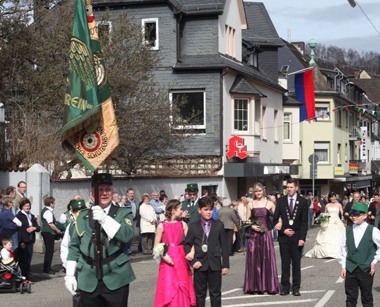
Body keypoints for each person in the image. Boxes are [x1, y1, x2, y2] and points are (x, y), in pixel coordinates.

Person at [64, 173, 136, 307]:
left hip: (116, 276)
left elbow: (126, 236)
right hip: (88, 278)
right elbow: (74, 247)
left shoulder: (123, 213)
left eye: (107, 190)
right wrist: (69, 275)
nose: (104, 193)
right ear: (92, 194)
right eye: (99, 190)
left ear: (112, 192)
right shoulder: (82, 216)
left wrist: (104, 219)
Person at [184, 196, 229, 307]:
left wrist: (225, 264)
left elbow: (224, 245)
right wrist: (193, 261)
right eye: (205, 209)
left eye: (210, 209)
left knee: (216, 293)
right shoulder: (193, 226)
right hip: (200, 264)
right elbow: (187, 245)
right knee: (200, 294)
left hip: (215, 264)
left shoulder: (219, 225)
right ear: (199, 210)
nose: (208, 212)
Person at [154, 200, 196, 306]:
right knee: (169, 283)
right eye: (180, 209)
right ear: (173, 211)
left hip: (181, 256)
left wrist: (192, 252)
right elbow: (156, 245)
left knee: (182, 282)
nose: (182, 211)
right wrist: (164, 256)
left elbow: (191, 242)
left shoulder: (183, 224)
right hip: (168, 257)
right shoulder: (161, 225)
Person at [338, 202, 380, 307]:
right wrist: (343, 266)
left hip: (366, 269)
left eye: (357, 215)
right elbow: (343, 248)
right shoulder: (348, 230)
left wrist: (374, 261)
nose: (353, 217)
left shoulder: (372, 230)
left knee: (367, 298)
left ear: (365, 216)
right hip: (351, 268)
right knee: (350, 298)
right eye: (352, 215)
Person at [274, 178, 308, 296]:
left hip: (297, 237)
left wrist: (302, 238)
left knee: (296, 264)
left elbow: (304, 222)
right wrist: (283, 230)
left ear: (296, 188)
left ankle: (296, 287)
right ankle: (285, 287)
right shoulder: (281, 201)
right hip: (284, 237)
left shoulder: (303, 201)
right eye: (287, 187)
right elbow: (274, 219)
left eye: (291, 187)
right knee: (285, 263)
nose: (289, 189)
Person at [244, 183, 280, 294]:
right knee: (254, 260)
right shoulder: (250, 204)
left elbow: (277, 218)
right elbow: (246, 220)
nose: (258, 193)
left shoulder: (270, 204)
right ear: (253, 192)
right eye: (256, 191)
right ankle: (255, 287)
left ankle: (267, 287)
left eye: (260, 191)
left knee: (266, 259)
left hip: (266, 234)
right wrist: (252, 226)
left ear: (263, 191)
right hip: (254, 235)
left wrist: (280, 224)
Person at [305, 192, 345, 259]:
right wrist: (323, 218)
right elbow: (325, 214)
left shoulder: (339, 205)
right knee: (326, 237)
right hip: (329, 222)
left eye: (334, 197)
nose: (333, 198)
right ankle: (325, 252)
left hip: (337, 222)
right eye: (332, 197)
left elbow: (342, 213)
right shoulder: (327, 205)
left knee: (338, 237)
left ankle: (339, 251)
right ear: (329, 198)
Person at [16, 198, 40, 281]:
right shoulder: (19, 216)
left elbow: (38, 227)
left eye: (28, 206)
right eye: (25, 206)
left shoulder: (31, 215)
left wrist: (33, 228)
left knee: (29, 259)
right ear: (22, 207)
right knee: (23, 260)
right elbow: (19, 230)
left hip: (30, 239)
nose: (27, 207)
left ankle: (27, 277)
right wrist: (21, 241)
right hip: (23, 240)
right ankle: (23, 278)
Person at [60, 199, 87, 267]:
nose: (80, 213)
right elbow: (65, 246)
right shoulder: (71, 226)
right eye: (77, 211)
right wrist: (66, 262)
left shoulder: (91, 223)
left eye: (83, 211)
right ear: (74, 213)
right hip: (76, 263)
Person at [41, 196, 64, 274]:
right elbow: (50, 224)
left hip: (47, 232)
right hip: (48, 232)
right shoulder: (48, 212)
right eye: (53, 203)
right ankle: (47, 269)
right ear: (50, 203)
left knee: (49, 250)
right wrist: (57, 230)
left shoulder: (47, 211)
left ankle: (47, 267)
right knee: (49, 251)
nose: (54, 204)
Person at [125, 188, 139, 256]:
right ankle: (126, 250)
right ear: (127, 194)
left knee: (131, 236)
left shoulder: (134, 201)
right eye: (130, 193)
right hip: (127, 221)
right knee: (127, 236)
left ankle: (129, 250)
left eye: (133, 193)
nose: (132, 195)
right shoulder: (126, 201)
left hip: (133, 220)